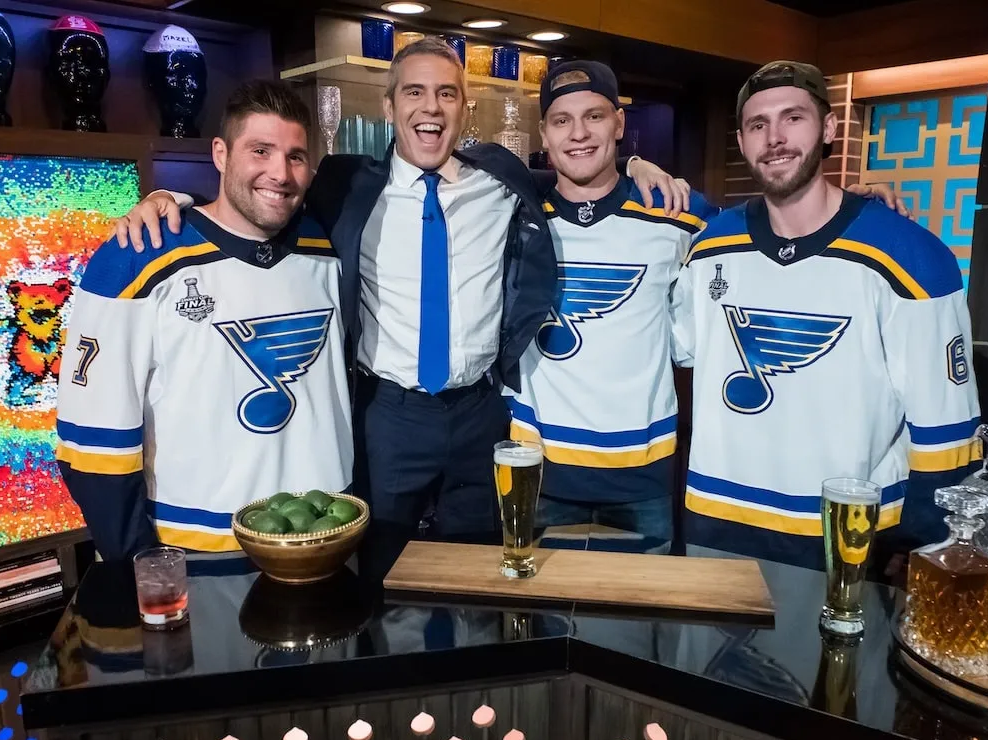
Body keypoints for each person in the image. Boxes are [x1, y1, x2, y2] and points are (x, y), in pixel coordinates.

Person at [112, 38, 689, 567]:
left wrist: (636, 166)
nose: (430, 108)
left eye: (446, 93)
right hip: (387, 417)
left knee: (476, 574)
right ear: (389, 108)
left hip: (481, 416)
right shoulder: (344, 184)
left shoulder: (503, 179)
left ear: (465, 109)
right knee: (378, 571)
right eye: (414, 92)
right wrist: (174, 200)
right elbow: (263, 199)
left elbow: (577, 180)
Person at [676, 61, 982, 570]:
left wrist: (919, 548)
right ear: (742, 139)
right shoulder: (710, 246)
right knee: (699, 652)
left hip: (847, 530)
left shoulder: (911, 255)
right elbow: (672, 342)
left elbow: (945, 427)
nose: (775, 137)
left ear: (829, 128)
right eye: (758, 125)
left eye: (793, 118)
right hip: (716, 514)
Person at [55, 79, 351, 560]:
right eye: (260, 150)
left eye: (296, 156)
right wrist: (142, 566)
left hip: (330, 532)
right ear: (220, 153)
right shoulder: (134, 258)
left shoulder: (328, 244)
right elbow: (91, 442)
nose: (280, 173)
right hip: (200, 547)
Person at [505, 61, 718, 554]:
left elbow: (773, 227)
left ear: (620, 124)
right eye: (562, 121)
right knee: (540, 624)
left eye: (595, 117)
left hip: (641, 476)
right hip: (537, 472)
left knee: (639, 623)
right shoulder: (516, 214)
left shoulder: (674, 214)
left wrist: (852, 203)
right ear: (544, 133)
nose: (578, 134)